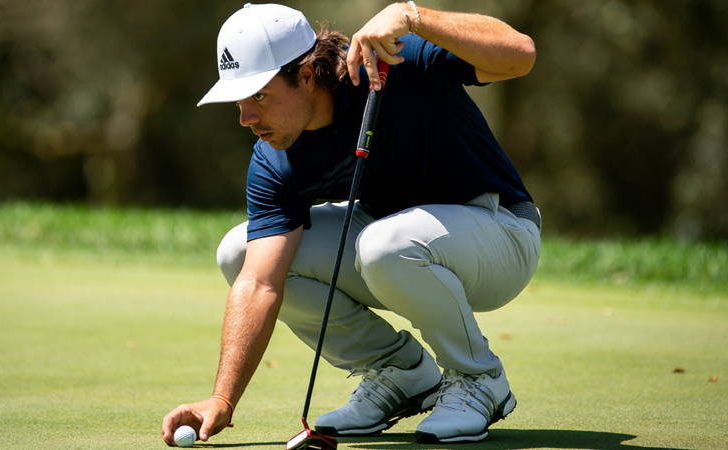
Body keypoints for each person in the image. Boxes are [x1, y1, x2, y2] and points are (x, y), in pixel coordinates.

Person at [161, 2, 539, 445]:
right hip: (398, 241)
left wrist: (412, 15)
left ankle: (480, 378)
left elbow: (521, 55)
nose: (246, 117)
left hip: (501, 232)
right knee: (239, 252)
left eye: (259, 95)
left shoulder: (394, 64)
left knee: (383, 245)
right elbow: (260, 284)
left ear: (304, 75)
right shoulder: (275, 158)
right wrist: (222, 399)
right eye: (239, 100)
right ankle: (400, 373)